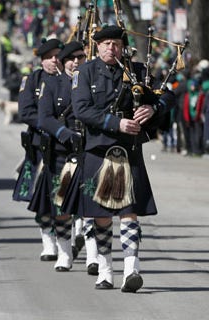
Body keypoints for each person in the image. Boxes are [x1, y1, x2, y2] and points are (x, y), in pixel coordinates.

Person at [72, 25, 165, 292]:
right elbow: (81, 110)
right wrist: (116, 123)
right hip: (98, 151)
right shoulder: (84, 72)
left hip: (129, 151)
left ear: (122, 47)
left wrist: (152, 108)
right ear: (97, 46)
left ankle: (131, 270)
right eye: (106, 44)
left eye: (116, 44)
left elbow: (165, 96)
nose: (112, 48)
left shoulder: (136, 72)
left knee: (129, 212)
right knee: (100, 216)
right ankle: (105, 270)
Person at [35, 41, 87, 272]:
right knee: (62, 207)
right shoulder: (52, 84)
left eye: (81, 58)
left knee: (91, 207)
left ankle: (94, 257)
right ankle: (64, 253)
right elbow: (43, 118)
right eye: (71, 58)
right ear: (64, 61)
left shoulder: (91, 82)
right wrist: (65, 134)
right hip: (61, 153)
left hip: (89, 151)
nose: (76, 62)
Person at [13, 38, 63, 260]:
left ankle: (71, 239)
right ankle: (48, 242)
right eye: (49, 57)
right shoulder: (32, 80)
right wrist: (50, 125)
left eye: (57, 56)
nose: (54, 60)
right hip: (41, 145)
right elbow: (25, 112)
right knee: (43, 198)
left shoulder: (71, 79)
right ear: (41, 60)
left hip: (68, 146)